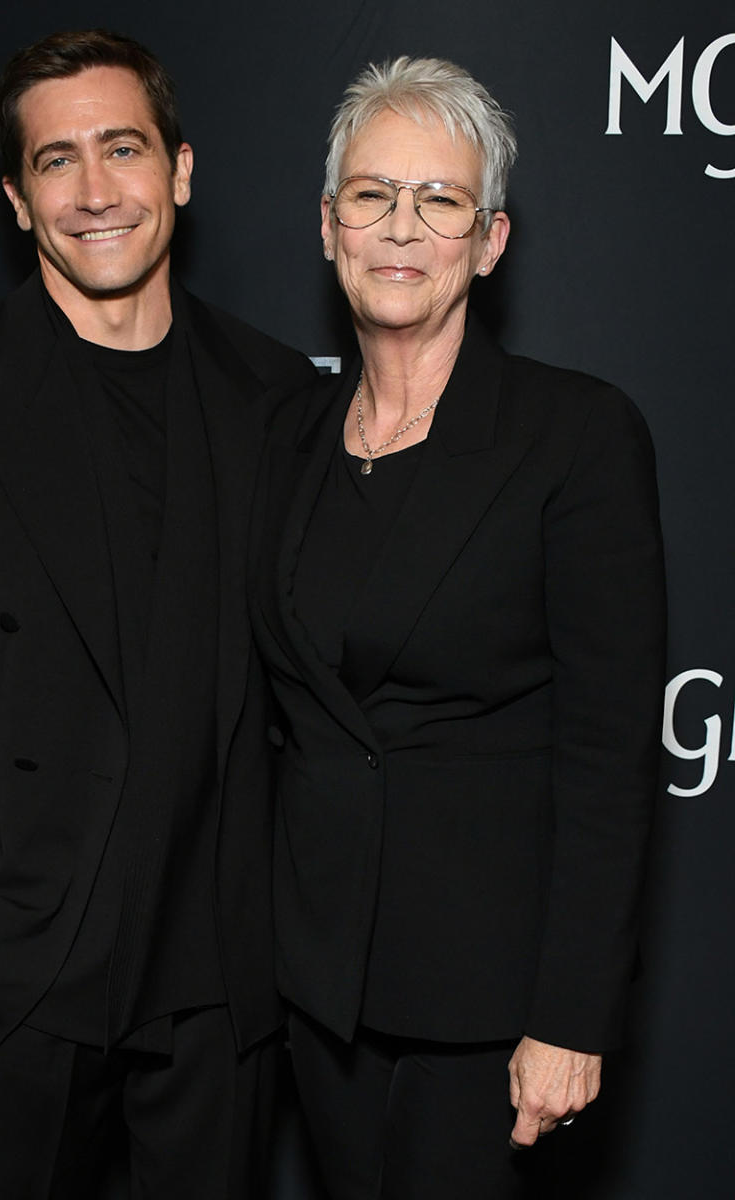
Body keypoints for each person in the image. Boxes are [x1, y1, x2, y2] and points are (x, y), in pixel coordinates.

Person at [0, 29, 314, 1200]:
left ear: (181, 170)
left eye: (123, 149)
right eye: (56, 161)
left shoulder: (277, 397)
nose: (95, 192)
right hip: (21, 967)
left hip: (218, 974)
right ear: (16, 196)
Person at [251, 57, 665, 1199]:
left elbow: (608, 754)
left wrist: (571, 1017)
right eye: (373, 195)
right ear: (329, 226)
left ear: (488, 240)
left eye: (440, 200)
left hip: (490, 1005)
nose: (402, 227)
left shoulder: (575, 437)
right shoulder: (285, 438)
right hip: (321, 990)